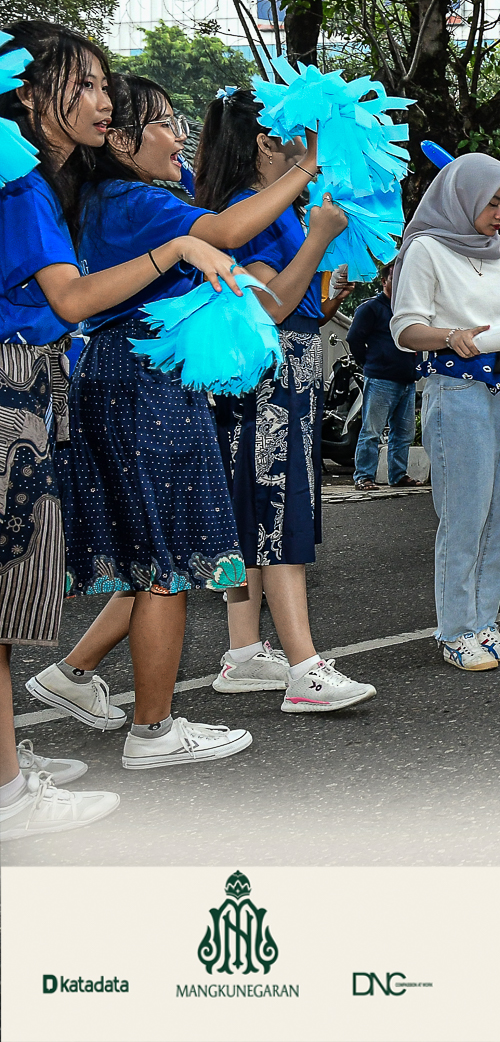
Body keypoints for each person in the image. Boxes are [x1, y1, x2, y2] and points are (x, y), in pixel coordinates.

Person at [27, 71, 319, 771]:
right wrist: (306, 165)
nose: (179, 136)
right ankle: (154, 729)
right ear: (121, 141)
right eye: (163, 122)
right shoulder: (133, 199)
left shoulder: (109, 195)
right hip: (144, 381)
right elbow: (225, 229)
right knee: (166, 558)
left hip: (126, 373)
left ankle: (76, 675)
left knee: (151, 551)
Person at [1, 23, 246, 830]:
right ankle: (93, 755)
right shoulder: (25, 186)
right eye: (86, 83)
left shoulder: (50, 186)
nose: (104, 101)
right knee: (154, 561)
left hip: (45, 384)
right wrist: (176, 247)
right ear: (28, 93)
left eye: (106, 85)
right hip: (28, 385)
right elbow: (72, 299)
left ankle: (9, 769)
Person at [194, 87, 377, 713]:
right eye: (296, 132)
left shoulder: (259, 207)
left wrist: (322, 265)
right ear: (266, 142)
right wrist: (319, 238)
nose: (307, 144)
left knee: (255, 513)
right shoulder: (250, 210)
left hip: (276, 377)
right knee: (278, 513)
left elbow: (289, 303)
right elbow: (270, 307)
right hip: (270, 381)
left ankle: (244, 651)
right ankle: (304, 667)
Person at [389, 152, 500, 668]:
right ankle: (455, 632)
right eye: (493, 203)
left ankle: (486, 625)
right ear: (462, 196)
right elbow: (404, 328)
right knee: (465, 516)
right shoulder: (425, 248)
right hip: (456, 391)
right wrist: (452, 336)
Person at [346, 264, 420, 489]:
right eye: (395, 278)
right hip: (381, 379)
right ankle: (363, 476)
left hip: (407, 379)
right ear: (384, 281)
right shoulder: (371, 308)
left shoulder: (409, 310)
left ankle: (398, 475)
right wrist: (370, 363)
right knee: (372, 430)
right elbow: (354, 338)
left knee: (404, 432)